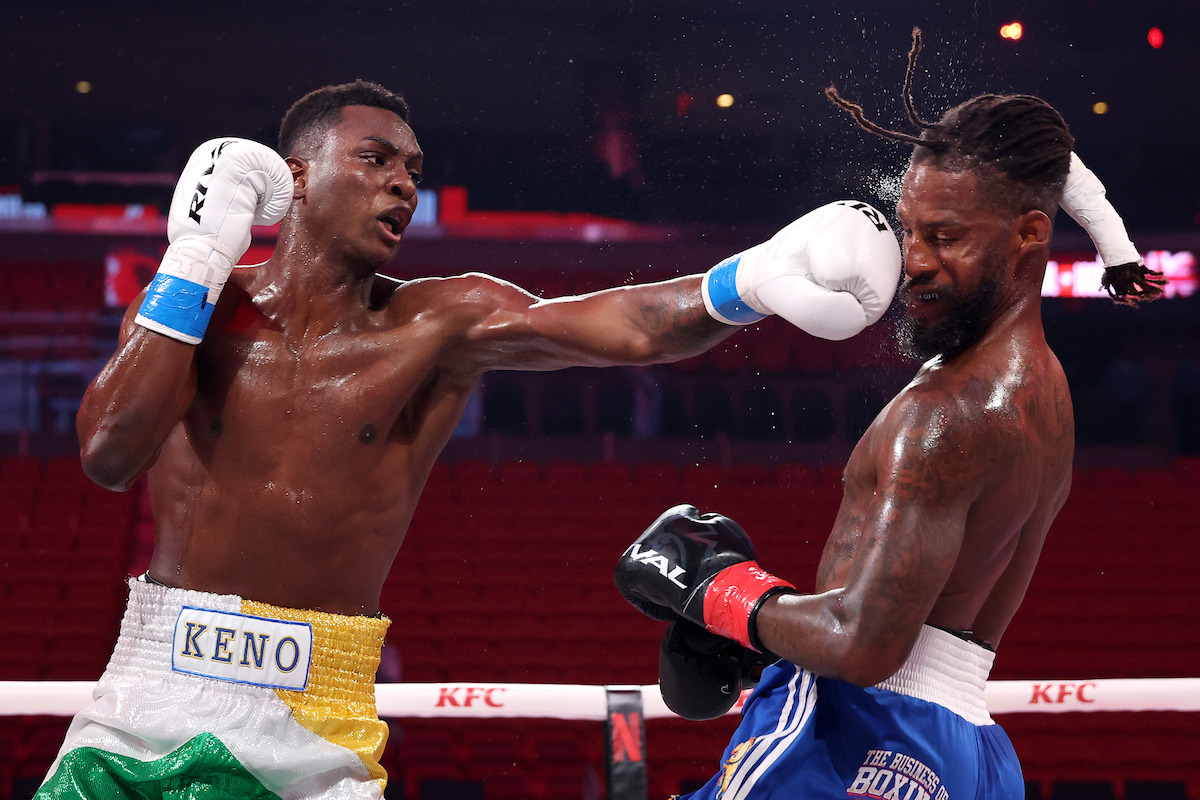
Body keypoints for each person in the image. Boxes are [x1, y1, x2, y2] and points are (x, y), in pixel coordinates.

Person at [39, 80, 902, 798]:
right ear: (296, 177)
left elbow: (623, 324)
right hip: (144, 696)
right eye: (375, 160)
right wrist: (192, 257)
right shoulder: (199, 309)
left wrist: (749, 279)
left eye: (414, 170)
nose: (403, 185)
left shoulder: (437, 323)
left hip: (309, 720)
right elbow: (110, 452)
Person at [614, 28, 1163, 800]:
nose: (914, 259)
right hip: (968, 752)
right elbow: (926, 618)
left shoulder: (942, 414)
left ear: (1030, 235)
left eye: (946, 237)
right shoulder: (1044, 390)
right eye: (909, 230)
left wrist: (713, 590)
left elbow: (865, 645)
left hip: (857, 729)